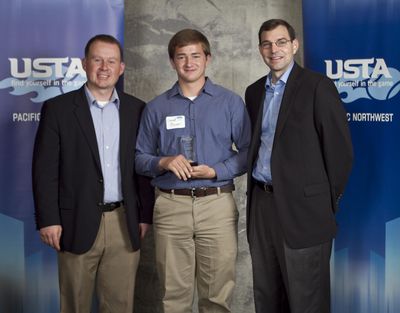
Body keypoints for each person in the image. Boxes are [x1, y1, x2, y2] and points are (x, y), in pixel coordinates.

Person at [32, 34, 153, 313]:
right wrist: (48, 220)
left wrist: (144, 214)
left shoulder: (137, 109)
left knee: (120, 306)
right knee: (75, 305)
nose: (104, 67)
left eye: (111, 61)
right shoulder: (58, 109)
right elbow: (44, 170)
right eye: (97, 60)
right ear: (84, 64)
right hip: (75, 221)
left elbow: (141, 167)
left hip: (124, 223)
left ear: (121, 67)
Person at [135, 29, 251, 313]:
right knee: (173, 297)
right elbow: (139, 158)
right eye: (181, 57)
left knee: (217, 295)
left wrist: (216, 170)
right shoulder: (156, 108)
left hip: (217, 204)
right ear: (172, 62)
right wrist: (162, 162)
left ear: (207, 59)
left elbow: (250, 152)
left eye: (195, 56)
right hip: (171, 205)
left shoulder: (231, 102)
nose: (189, 63)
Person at [245, 19, 353, 313]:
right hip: (262, 206)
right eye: (267, 43)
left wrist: (323, 201)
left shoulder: (318, 87)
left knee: (307, 300)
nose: (274, 49)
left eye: (281, 42)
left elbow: (340, 153)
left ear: (294, 45)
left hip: (305, 211)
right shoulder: (253, 92)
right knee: (267, 295)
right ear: (260, 49)